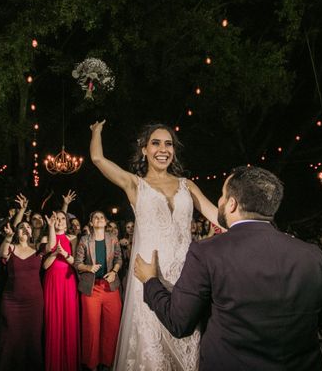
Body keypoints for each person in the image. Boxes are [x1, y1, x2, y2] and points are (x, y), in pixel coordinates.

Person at [134, 166, 322, 370]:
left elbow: (179, 322)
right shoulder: (311, 254)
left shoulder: (207, 252)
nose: (220, 201)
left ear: (232, 204)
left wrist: (150, 281)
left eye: (223, 196)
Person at [90, 120, 222, 370]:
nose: (163, 149)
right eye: (156, 143)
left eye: (169, 144)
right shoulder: (135, 184)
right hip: (150, 277)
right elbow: (97, 159)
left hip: (187, 278)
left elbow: (216, 216)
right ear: (144, 149)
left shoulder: (187, 185)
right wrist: (97, 131)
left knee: (188, 346)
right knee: (153, 352)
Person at [75, 211, 123, 371]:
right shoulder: (84, 240)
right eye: (95, 217)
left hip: (110, 288)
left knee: (112, 325)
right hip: (92, 288)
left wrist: (114, 272)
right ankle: (92, 364)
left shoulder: (113, 239)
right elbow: (77, 263)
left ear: (106, 221)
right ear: (91, 222)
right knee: (91, 327)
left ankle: (108, 363)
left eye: (102, 217)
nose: (99, 219)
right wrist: (89, 267)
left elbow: (119, 259)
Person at [0, 220, 44, 370]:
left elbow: (52, 245)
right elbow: (1, 253)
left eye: (28, 227)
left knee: (32, 336)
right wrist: (8, 237)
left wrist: (52, 226)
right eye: (21, 227)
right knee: (10, 335)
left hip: (34, 302)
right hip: (12, 301)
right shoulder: (10, 247)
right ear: (16, 232)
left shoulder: (37, 248)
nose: (25, 229)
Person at [44, 210, 80, 371]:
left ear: (66, 223)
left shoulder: (73, 238)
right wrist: (51, 228)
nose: (59, 220)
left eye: (62, 219)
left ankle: (69, 363)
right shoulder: (47, 237)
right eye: (56, 218)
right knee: (54, 317)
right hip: (52, 280)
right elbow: (46, 263)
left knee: (69, 317)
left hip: (68, 279)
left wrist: (64, 254)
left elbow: (76, 262)